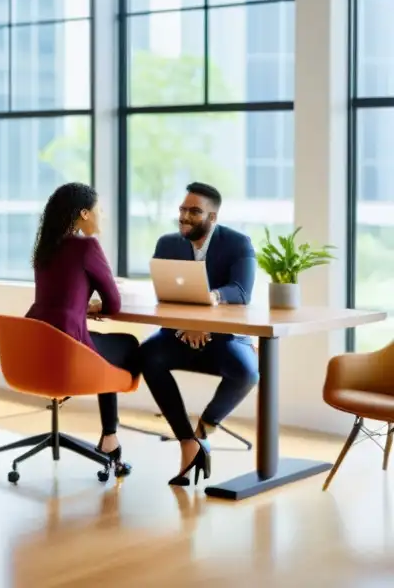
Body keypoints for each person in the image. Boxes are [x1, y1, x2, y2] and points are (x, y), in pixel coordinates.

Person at [139, 182, 259, 486]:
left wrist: (209, 305)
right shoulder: (167, 244)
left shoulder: (238, 243)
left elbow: (241, 291)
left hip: (223, 338)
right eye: (183, 209)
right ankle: (186, 442)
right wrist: (185, 326)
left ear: (212, 217)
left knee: (247, 372)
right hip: (179, 336)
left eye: (194, 211)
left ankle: (204, 429)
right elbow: (165, 296)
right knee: (147, 355)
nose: (185, 216)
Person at [26, 183, 138, 476]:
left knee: (104, 347)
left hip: (37, 343)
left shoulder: (45, 247)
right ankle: (110, 437)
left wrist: (81, 306)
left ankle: (103, 432)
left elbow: (59, 295)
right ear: (84, 213)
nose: (102, 216)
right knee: (126, 345)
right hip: (68, 347)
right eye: (99, 210)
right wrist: (97, 306)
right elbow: (113, 303)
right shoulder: (86, 246)